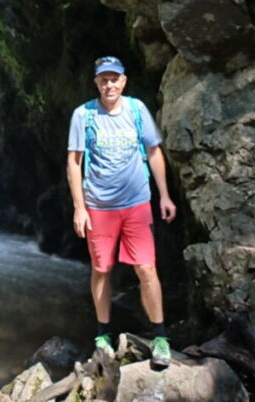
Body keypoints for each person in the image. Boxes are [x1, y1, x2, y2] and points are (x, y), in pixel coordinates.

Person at [66, 55, 176, 367]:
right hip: (99, 207)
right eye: (103, 79)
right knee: (101, 269)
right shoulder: (83, 115)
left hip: (137, 204)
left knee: (146, 268)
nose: (109, 84)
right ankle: (103, 334)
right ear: (96, 82)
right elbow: (74, 162)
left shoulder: (137, 110)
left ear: (123, 81)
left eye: (114, 78)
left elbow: (154, 151)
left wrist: (164, 196)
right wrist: (79, 208)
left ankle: (160, 336)